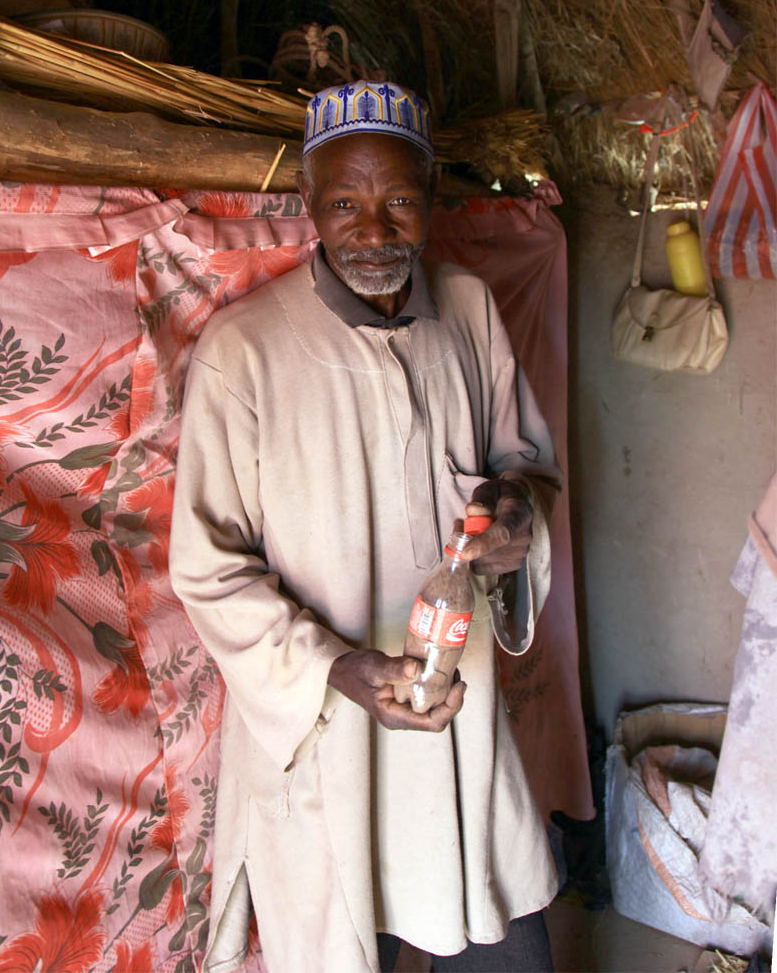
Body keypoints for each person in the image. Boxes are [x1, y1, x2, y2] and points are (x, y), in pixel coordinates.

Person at [169, 80, 562, 973]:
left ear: (429, 206)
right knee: (351, 934)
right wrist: (335, 667)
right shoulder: (245, 352)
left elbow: (526, 467)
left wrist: (515, 518)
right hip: (326, 727)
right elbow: (207, 567)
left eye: (399, 203)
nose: (373, 231)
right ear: (308, 205)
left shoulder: (467, 310)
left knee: (501, 940)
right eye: (345, 202)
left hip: (454, 714)